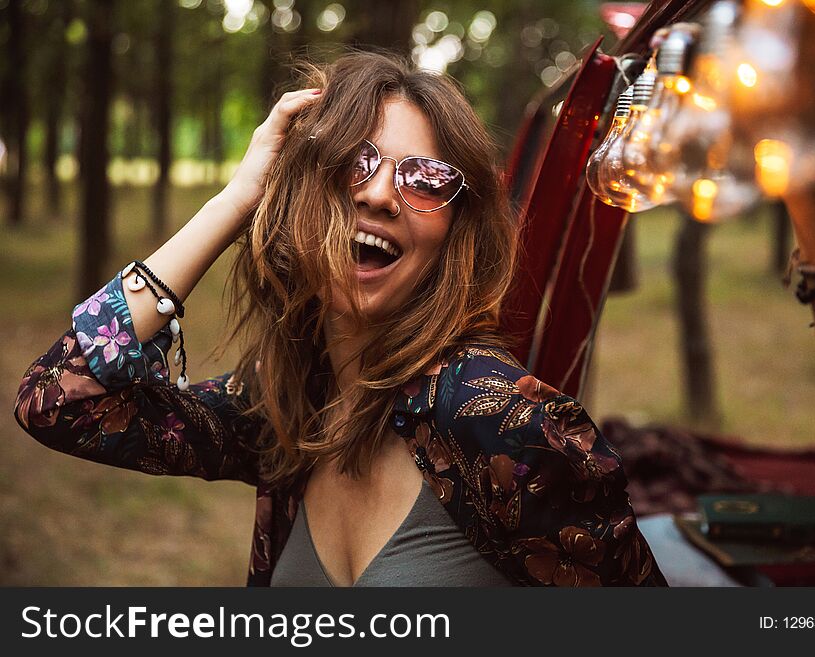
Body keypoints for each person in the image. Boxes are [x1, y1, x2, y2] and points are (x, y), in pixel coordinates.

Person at [13, 51, 667, 587]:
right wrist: (236, 199)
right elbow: (59, 401)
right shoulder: (287, 404)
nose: (381, 193)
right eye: (355, 162)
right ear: (300, 193)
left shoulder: (505, 422)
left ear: (456, 234)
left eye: (428, 178)